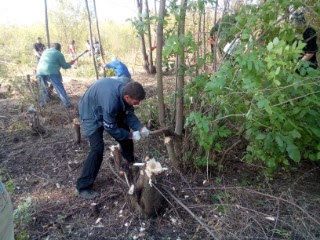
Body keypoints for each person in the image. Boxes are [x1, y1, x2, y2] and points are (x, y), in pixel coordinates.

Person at [76, 77, 150, 199]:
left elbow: (128, 114)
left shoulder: (127, 89)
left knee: (125, 133)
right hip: (90, 112)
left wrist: (140, 127)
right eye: (136, 101)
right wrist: (131, 135)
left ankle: (131, 162)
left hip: (105, 107)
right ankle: (83, 187)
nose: (138, 104)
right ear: (127, 98)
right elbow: (111, 128)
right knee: (97, 148)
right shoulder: (111, 102)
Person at [36, 43, 75, 108]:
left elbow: (51, 62)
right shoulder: (58, 54)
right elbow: (64, 66)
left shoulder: (45, 52)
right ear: (59, 49)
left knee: (42, 88)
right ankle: (67, 104)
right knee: (59, 87)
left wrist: (69, 63)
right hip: (51, 72)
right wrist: (70, 64)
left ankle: (42, 104)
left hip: (39, 71)